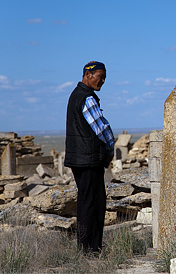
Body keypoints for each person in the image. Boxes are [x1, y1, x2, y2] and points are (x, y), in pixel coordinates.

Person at [64, 61, 115, 254]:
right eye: (100, 76)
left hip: (80, 158)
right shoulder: (87, 97)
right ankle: (91, 248)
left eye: (104, 78)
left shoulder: (75, 95)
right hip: (89, 158)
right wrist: (110, 149)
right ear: (88, 74)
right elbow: (101, 128)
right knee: (93, 203)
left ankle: (87, 247)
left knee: (87, 201)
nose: (102, 81)